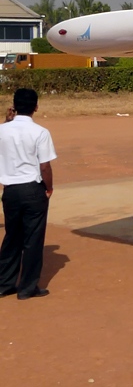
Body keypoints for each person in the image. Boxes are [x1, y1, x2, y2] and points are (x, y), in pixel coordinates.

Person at [0, 88, 57, 300]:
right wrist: (49, 188)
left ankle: (5, 283)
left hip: (10, 190)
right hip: (33, 189)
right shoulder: (40, 132)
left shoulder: (3, 129)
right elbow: (45, 167)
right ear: (36, 107)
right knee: (32, 239)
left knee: (12, 236)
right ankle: (27, 287)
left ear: (14, 105)